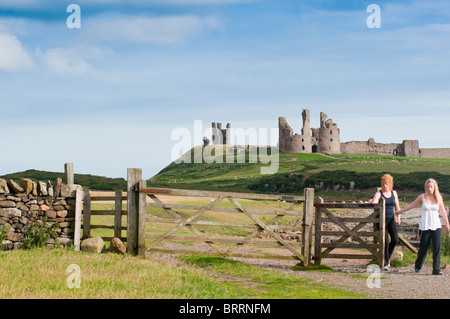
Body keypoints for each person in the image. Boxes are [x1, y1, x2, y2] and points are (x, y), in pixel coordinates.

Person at [395, 178, 450, 275]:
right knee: (423, 247)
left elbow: (443, 211)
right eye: (428, 187)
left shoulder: (438, 197)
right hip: (425, 226)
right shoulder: (422, 197)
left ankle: (436, 269)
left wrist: (447, 223)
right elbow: (412, 205)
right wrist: (399, 211)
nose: (429, 189)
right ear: (425, 188)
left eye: (431, 187)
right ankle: (418, 265)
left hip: (436, 225)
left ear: (434, 187)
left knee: (437, 247)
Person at [369, 174, 401, 271]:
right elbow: (375, 202)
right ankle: (386, 263)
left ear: (390, 184)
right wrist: (371, 201)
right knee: (385, 241)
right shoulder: (379, 193)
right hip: (381, 220)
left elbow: (397, 207)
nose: (385, 186)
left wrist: (398, 217)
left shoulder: (394, 193)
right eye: (383, 184)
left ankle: (387, 259)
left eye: (386, 184)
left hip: (391, 219)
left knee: (395, 240)